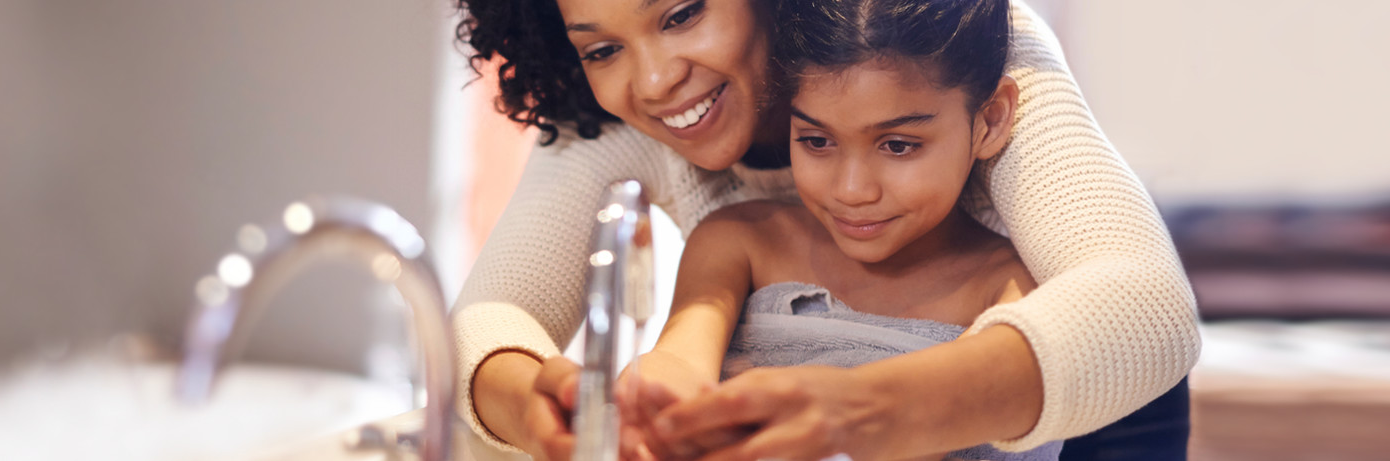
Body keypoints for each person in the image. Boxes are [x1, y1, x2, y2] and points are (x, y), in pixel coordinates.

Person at [450, 0, 1200, 459]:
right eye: (602, 48)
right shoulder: (615, 121)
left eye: (682, 13)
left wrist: (859, 409)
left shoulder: (957, 36)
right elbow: (484, 318)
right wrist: (535, 406)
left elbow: (1148, 308)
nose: (652, 81)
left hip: (1088, 411)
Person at [615, 0, 1061, 459]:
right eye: (816, 141)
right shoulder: (741, 241)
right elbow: (680, 358)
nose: (852, 190)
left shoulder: (1016, 290)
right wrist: (652, 407)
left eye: (898, 145)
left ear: (990, 119)